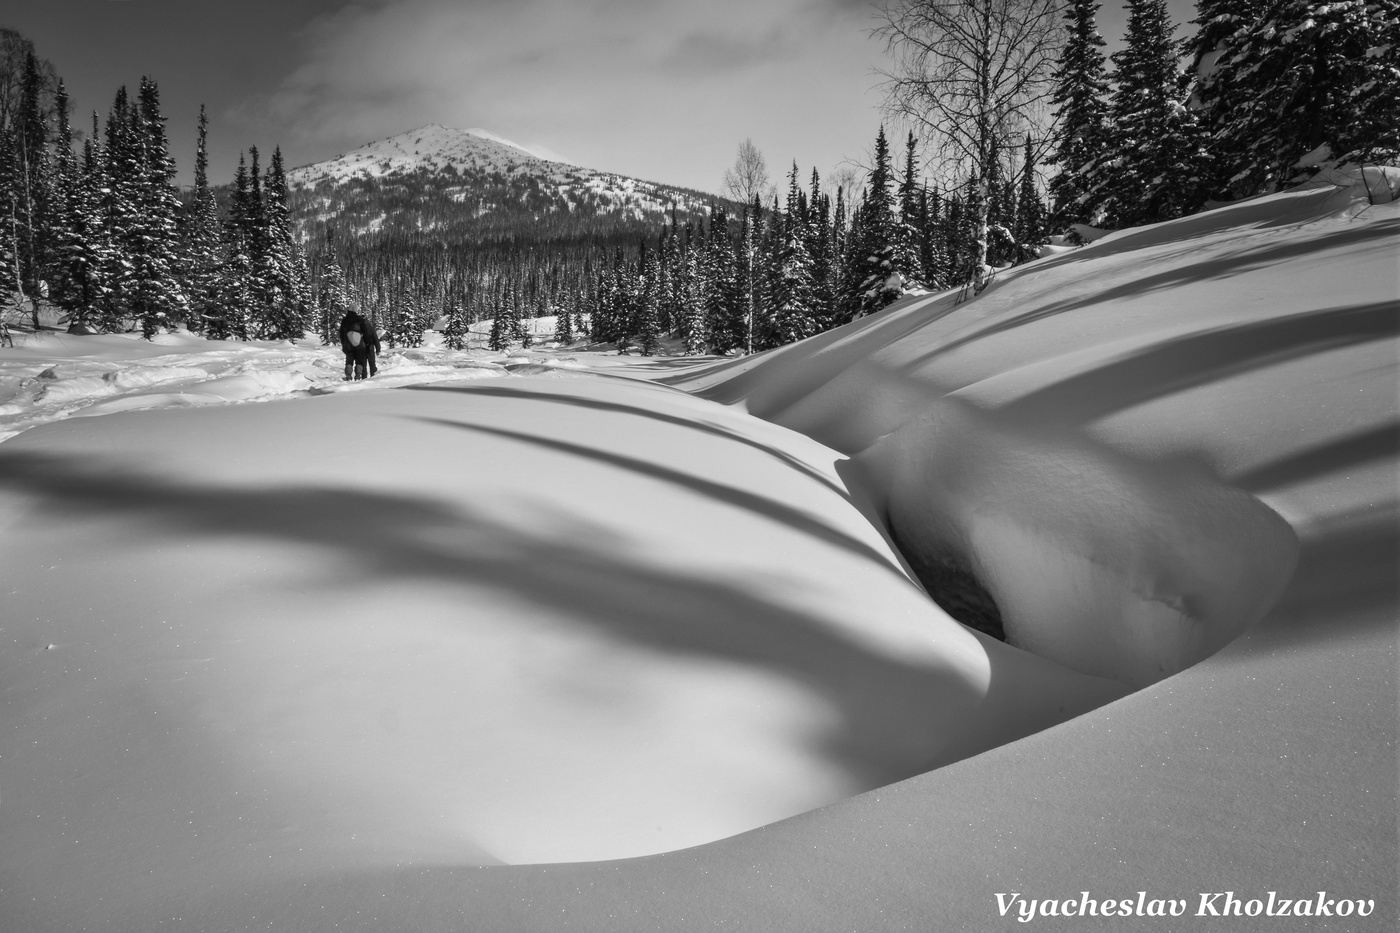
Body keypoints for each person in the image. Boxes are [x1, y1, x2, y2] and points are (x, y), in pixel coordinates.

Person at [337, 302, 381, 380]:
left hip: (348, 344)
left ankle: (348, 375)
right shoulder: (360, 319)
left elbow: (341, 333)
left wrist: (343, 343)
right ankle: (358, 375)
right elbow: (366, 332)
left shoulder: (345, 320)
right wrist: (367, 343)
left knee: (349, 360)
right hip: (359, 344)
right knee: (359, 361)